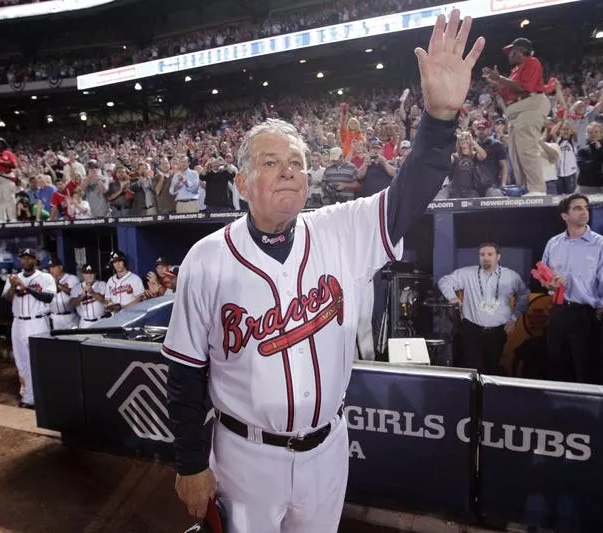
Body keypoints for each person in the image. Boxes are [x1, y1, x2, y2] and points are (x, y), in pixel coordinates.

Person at [161, 10, 484, 533]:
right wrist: (191, 462)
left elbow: (411, 193)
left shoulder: (340, 229)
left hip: (327, 447)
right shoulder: (207, 257)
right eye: (269, 162)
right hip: (245, 455)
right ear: (242, 183)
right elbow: (185, 372)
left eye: (297, 161)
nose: (288, 168)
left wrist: (440, 120)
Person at [541, 194, 603, 384]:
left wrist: (600, 309)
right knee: (556, 366)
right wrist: (549, 284)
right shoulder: (554, 243)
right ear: (565, 216)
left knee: (586, 370)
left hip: (586, 314)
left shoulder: (602, 245)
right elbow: (544, 275)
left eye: (586, 207)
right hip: (558, 311)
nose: (584, 212)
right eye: (577, 208)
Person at [438, 242, 529, 374]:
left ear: (498, 257)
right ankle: (474, 393)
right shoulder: (467, 274)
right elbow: (444, 281)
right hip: (471, 330)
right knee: (473, 369)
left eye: (490, 254)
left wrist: (514, 318)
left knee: (490, 369)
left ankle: (485, 394)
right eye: (482, 254)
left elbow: (524, 295)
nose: (485, 257)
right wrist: (452, 296)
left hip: (498, 332)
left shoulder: (510, 276)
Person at [483, 38, 550, 194]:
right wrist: (496, 83)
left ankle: (537, 190)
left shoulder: (532, 62)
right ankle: (525, 188)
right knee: (516, 152)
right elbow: (507, 94)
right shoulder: (515, 71)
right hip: (518, 109)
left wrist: (500, 78)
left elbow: (523, 88)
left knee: (526, 149)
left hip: (531, 104)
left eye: (511, 51)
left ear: (520, 51)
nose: (509, 55)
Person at [1, 248, 56, 408]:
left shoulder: (45, 277)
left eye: (29, 258)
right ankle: (28, 398)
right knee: (22, 362)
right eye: (23, 258)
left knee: (39, 361)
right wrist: (13, 286)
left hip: (37, 322)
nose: (26, 261)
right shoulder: (13, 278)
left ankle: (45, 396)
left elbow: (48, 298)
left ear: (35, 259)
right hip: (18, 323)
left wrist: (26, 288)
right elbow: (6, 298)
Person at [104, 251, 145, 315]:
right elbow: (107, 299)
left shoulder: (135, 278)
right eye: (115, 262)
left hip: (131, 315)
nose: (117, 264)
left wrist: (123, 307)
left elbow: (140, 299)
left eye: (120, 261)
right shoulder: (110, 281)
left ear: (124, 262)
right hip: (115, 317)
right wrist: (110, 304)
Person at [47, 258, 80, 330]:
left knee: (73, 339)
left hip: (70, 317)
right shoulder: (47, 281)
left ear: (61, 267)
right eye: (50, 267)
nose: (51, 270)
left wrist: (58, 285)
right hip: (55, 317)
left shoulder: (72, 278)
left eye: (53, 267)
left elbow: (75, 294)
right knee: (57, 340)